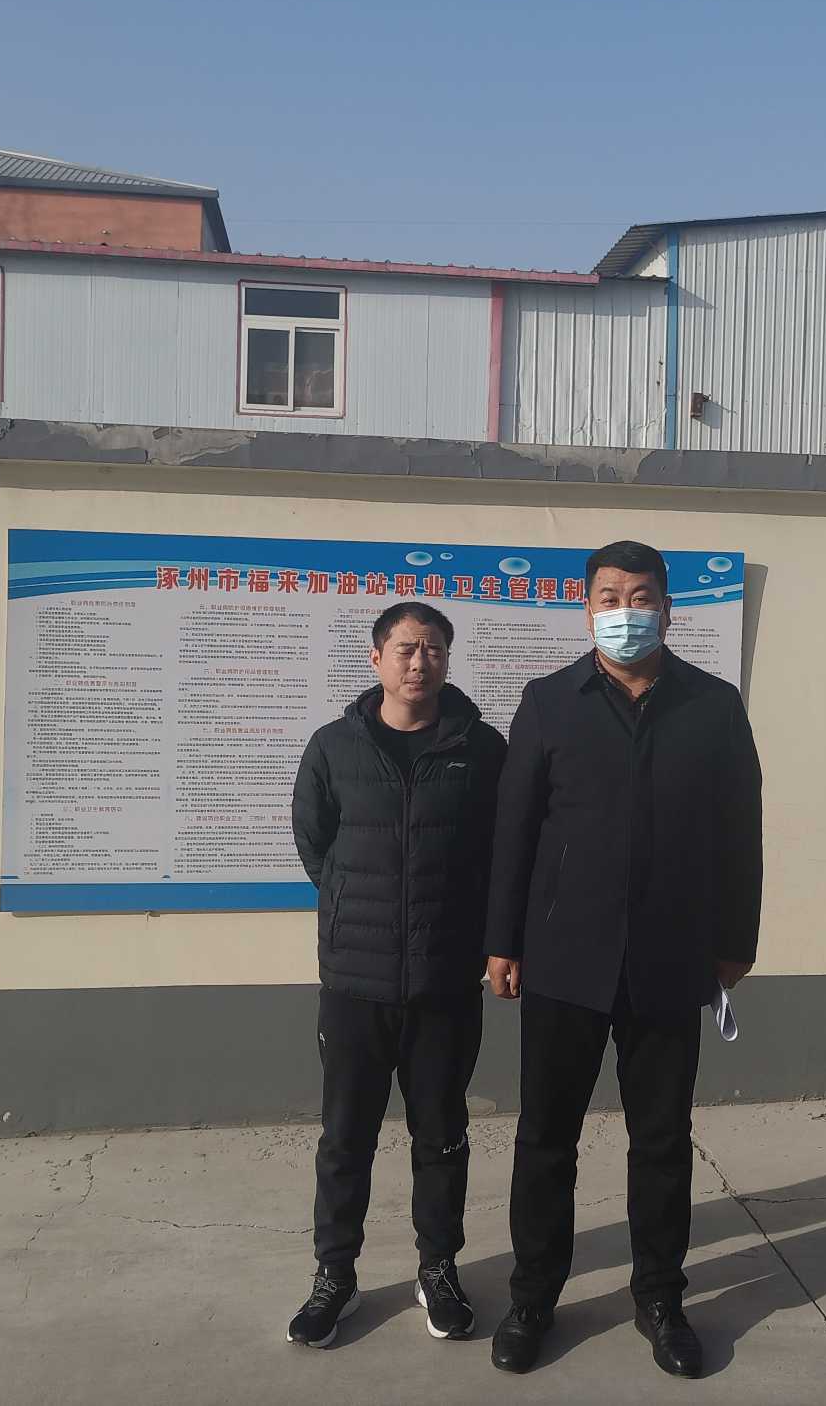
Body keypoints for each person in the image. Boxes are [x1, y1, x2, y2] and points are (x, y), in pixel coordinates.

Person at [483, 540, 764, 1378]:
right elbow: (515, 829)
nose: (625, 612)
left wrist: (734, 942)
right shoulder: (548, 702)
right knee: (545, 1137)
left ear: (668, 609)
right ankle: (533, 1298)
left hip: (671, 959)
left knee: (663, 1140)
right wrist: (502, 940)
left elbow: (740, 831)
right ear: (587, 609)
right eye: (609, 597)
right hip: (564, 959)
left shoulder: (712, 705)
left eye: (641, 597)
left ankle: (661, 1299)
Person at [286, 600, 507, 1348]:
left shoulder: (481, 749)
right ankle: (335, 1277)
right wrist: (356, 906)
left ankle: (438, 1269)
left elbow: (501, 852)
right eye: (407, 648)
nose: (421, 662)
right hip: (355, 983)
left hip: (445, 983)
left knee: (441, 1136)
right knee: (344, 1139)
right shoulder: (333, 747)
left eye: (434, 649)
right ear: (376, 658)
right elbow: (316, 846)